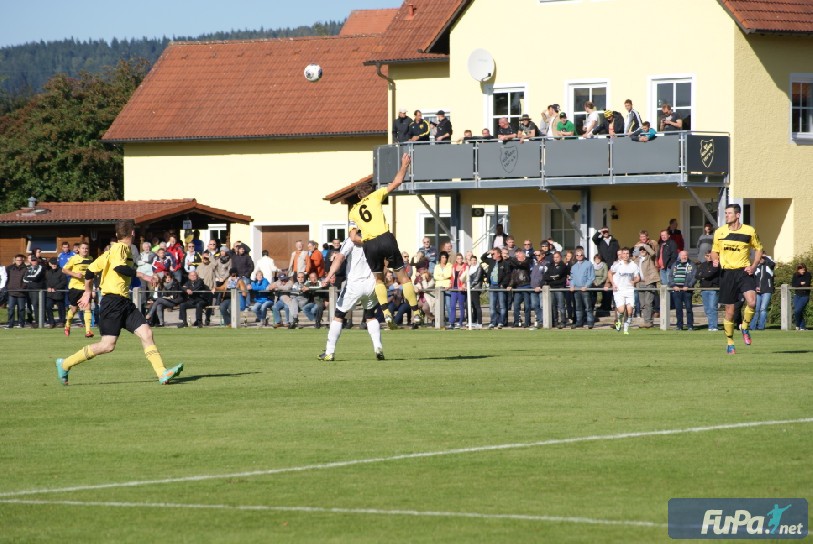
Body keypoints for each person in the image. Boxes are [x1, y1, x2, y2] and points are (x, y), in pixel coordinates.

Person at [55, 219, 183, 386]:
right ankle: (65, 364)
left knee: (146, 333)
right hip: (112, 302)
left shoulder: (111, 251)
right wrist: (143, 275)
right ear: (133, 233)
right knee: (107, 345)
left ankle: (162, 373)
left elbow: (90, 271)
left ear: (117, 234)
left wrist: (87, 292)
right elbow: (119, 268)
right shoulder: (120, 248)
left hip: (123, 302)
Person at [348, 153, 422, 329]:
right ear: (370, 192)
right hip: (385, 238)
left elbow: (353, 237)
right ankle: (416, 313)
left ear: (358, 196)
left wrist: (366, 241)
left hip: (369, 243)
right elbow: (397, 182)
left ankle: (386, 313)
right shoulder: (376, 196)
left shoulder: (353, 211)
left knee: (378, 279)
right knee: (403, 276)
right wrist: (404, 165)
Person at [318, 227, 385, 362]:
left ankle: (329, 352)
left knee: (338, 316)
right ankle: (378, 347)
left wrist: (329, 276)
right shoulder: (375, 240)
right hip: (371, 283)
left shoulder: (350, 241)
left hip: (354, 284)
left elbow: (339, 259)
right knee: (370, 316)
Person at [710, 203, 763, 354]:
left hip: (743, 271)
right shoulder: (720, 232)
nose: (726, 215)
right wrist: (715, 259)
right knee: (730, 311)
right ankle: (730, 343)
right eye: (725, 213)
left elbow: (758, 248)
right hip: (727, 273)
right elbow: (714, 251)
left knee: (752, 302)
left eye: (729, 213)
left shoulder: (749, 231)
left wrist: (754, 266)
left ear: (738, 215)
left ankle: (744, 327)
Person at [62, 243, 95, 338]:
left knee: (87, 307)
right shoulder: (74, 258)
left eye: (86, 248)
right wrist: (75, 274)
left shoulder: (91, 259)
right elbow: (64, 270)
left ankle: (88, 331)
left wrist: (92, 288)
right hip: (75, 287)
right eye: (83, 248)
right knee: (74, 309)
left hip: (86, 288)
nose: (85, 250)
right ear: (78, 250)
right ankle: (68, 324)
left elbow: (93, 273)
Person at [605, 247, 640, 335]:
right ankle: (618, 321)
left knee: (630, 311)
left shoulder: (633, 265)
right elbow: (609, 273)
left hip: (629, 290)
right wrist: (613, 283)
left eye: (627, 253)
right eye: (624, 253)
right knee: (621, 310)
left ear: (629, 254)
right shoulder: (617, 265)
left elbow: (638, 277)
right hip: (619, 290)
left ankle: (626, 330)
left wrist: (634, 281)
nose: (625, 255)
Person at [481, 247, 510, 329]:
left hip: (500, 286)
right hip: (492, 286)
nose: (492, 255)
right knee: (492, 305)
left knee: (502, 305)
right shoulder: (491, 261)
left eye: (494, 254)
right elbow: (482, 258)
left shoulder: (504, 263)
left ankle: (501, 322)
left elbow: (508, 275)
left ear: (499, 254)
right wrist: (488, 252)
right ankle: (493, 322)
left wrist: (503, 284)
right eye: (492, 254)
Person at [668, 251, 697, 331]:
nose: (684, 257)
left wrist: (688, 285)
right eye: (682, 255)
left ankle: (690, 326)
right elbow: (670, 276)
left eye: (685, 255)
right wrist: (673, 285)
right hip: (677, 290)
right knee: (678, 309)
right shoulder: (675, 264)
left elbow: (694, 276)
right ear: (679, 256)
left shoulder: (691, 264)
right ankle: (679, 326)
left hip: (687, 290)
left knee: (689, 308)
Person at [569, 249, 595, 328]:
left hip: (585, 289)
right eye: (577, 255)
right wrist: (572, 285)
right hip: (576, 289)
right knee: (578, 307)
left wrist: (586, 286)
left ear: (583, 255)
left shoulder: (588, 264)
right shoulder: (573, 266)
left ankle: (590, 322)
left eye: (581, 255)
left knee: (588, 307)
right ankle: (579, 322)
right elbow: (572, 278)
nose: (579, 256)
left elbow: (591, 277)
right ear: (575, 256)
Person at [697, 251, 721, 332]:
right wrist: (705, 275)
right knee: (707, 309)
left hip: (713, 288)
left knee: (712, 308)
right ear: (705, 256)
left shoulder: (716, 264)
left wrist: (703, 275)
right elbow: (697, 275)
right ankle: (711, 325)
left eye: (711, 255)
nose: (709, 257)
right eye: (707, 255)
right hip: (704, 288)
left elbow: (711, 273)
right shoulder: (702, 265)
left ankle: (713, 326)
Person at [753, 254, 775, 330]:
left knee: (763, 308)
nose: (761, 259)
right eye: (760, 258)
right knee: (756, 309)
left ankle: (761, 326)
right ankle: (752, 326)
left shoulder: (769, 265)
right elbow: (754, 279)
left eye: (762, 258)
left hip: (767, 290)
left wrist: (765, 257)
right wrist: (756, 286)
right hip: (758, 291)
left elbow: (773, 264)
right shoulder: (756, 267)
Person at [6, 255, 28, 328]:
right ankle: (10, 323)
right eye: (17, 260)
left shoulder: (25, 269)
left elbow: (26, 280)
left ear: (22, 261)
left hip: (21, 292)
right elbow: (7, 278)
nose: (19, 261)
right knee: (11, 308)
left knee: (21, 308)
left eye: (20, 260)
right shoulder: (10, 268)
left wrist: (23, 287)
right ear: (15, 260)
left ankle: (21, 323)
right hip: (11, 291)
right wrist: (8, 287)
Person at [44, 258, 68, 328]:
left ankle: (62, 321)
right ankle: (51, 322)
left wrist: (56, 288)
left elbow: (64, 282)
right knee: (48, 306)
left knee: (61, 307)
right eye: (52, 263)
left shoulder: (62, 271)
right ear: (50, 264)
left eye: (55, 263)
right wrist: (48, 287)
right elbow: (46, 281)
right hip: (50, 293)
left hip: (59, 292)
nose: (54, 265)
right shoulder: (48, 272)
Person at [792, 263, 810, 330]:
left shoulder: (808, 274)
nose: (802, 270)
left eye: (803, 269)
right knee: (797, 311)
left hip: (804, 295)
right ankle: (802, 327)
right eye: (800, 269)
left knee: (798, 310)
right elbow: (793, 284)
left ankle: (797, 325)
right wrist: (800, 283)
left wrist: (799, 284)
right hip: (797, 295)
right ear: (798, 270)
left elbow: (807, 284)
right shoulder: (795, 275)